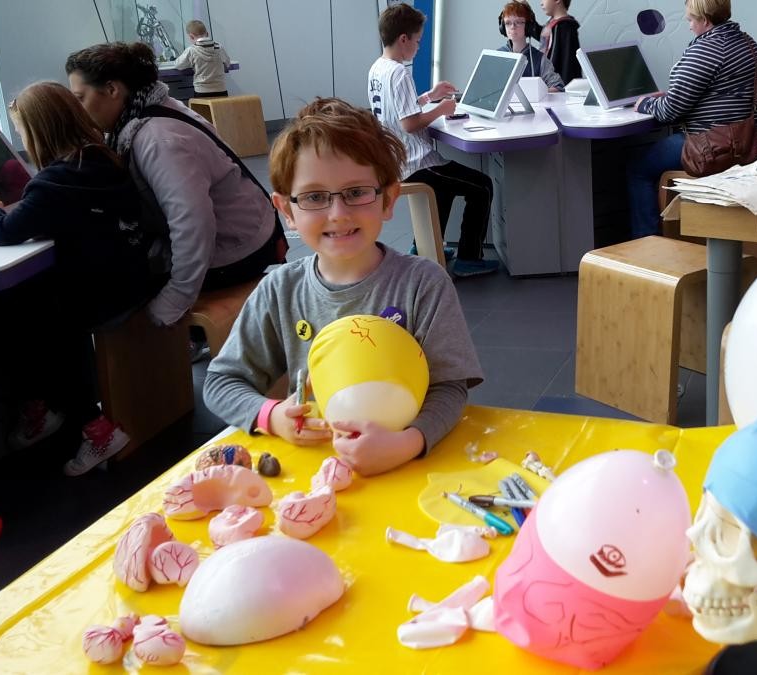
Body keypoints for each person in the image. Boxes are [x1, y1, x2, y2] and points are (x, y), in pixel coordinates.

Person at [204, 98, 483, 476]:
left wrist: (408, 442)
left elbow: (450, 388)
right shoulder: (279, 291)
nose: (339, 213)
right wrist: (272, 416)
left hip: (409, 465)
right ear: (287, 210)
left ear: (388, 199)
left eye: (356, 192)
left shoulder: (424, 284)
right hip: (315, 472)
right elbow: (222, 381)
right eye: (315, 197)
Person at [0, 81, 161, 475]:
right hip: (132, 281)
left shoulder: (52, 182)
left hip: (99, 300)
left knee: (34, 324)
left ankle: (89, 427)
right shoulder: (102, 160)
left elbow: (5, 232)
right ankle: (55, 410)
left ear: (38, 132)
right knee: (45, 314)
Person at [65, 41, 286, 328]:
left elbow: (193, 225)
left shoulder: (158, 138)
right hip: (244, 231)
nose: (78, 110)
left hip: (238, 248)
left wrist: (172, 302)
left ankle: (166, 354)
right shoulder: (153, 110)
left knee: (111, 282)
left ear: (112, 90)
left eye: (80, 98)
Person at [369, 4, 500, 278]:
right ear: (403, 39)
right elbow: (408, 122)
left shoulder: (378, 69)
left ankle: (426, 247)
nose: (418, 46)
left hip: (397, 162)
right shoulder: (399, 72)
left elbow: (399, 109)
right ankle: (469, 257)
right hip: (417, 163)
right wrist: (443, 108)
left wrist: (430, 96)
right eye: (417, 41)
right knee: (482, 186)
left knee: (447, 186)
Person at [627, 0, 757, 238]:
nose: (689, 26)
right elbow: (724, 93)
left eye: (690, 20)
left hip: (713, 149)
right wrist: (672, 96)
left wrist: (645, 103)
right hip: (754, 144)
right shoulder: (748, 44)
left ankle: (647, 240)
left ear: (705, 20)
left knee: (638, 168)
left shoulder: (705, 51)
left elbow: (669, 112)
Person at [499, 1, 564, 92]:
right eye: (508, 23)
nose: (512, 27)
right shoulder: (497, 56)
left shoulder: (539, 58)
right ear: (503, 27)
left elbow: (558, 87)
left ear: (528, 27)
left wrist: (536, 94)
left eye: (518, 22)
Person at [172, 19, 231, 98]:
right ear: (207, 34)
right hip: (221, 89)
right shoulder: (219, 47)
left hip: (202, 91)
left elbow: (178, 65)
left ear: (191, 36)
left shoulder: (192, 50)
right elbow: (227, 63)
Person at [539, 0, 582, 83]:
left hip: (559, 87)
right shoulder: (551, 24)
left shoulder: (566, 27)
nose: (541, 3)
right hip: (549, 82)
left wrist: (563, 88)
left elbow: (568, 61)